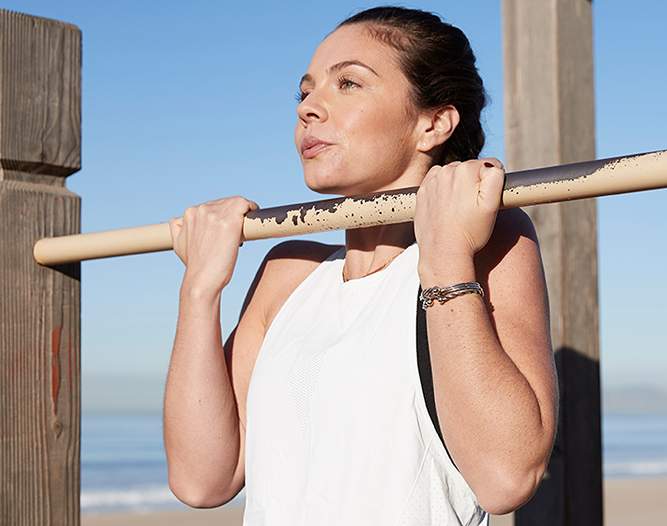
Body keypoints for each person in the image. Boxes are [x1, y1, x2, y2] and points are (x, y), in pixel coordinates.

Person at [162, 6, 557, 525]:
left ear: (433, 123)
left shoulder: (489, 246)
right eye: (304, 92)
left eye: (347, 83)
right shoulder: (287, 272)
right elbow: (202, 478)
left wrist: (445, 258)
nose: (309, 108)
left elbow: (506, 477)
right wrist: (200, 290)